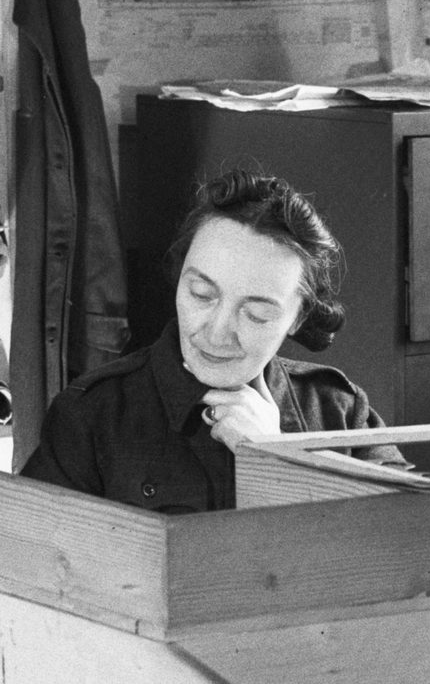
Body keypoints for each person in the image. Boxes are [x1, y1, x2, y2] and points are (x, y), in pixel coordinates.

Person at [21, 169, 405, 512]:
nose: (218, 332)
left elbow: (410, 547)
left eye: (256, 313)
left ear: (298, 317)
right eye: (202, 294)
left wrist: (279, 461)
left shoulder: (340, 412)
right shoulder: (92, 417)